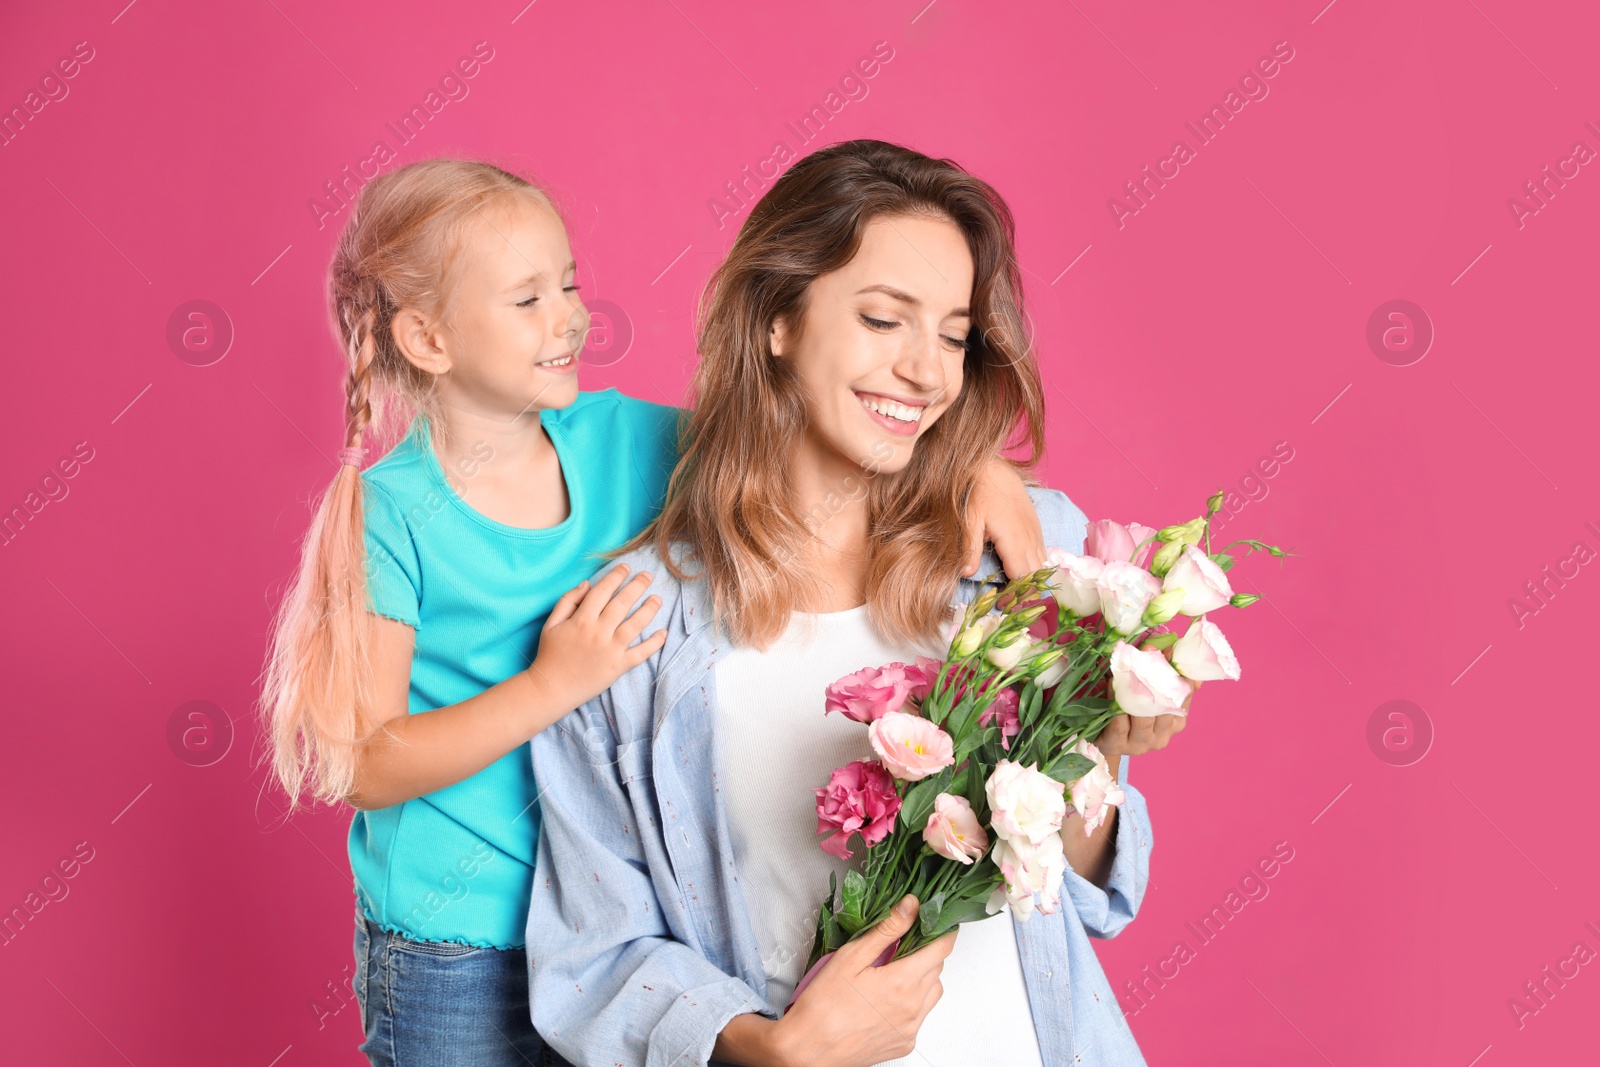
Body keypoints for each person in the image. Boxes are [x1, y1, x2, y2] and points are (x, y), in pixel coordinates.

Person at [258, 157, 1049, 1066]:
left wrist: (977, 469)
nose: (570, 318)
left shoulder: (628, 440)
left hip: (622, 916)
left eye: (569, 284)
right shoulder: (389, 514)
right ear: (428, 339)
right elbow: (365, 760)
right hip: (462, 943)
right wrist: (554, 683)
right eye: (527, 301)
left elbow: (806, 432)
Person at [526, 140, 1185, 1067]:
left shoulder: (1024, 557)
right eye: (884, 319)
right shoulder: (630, 628)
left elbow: (1083, 896)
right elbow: (595, 951)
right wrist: (769, 1048)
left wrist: (1097, 761)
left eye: (954, 335)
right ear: (778, 321)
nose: (925, 371)